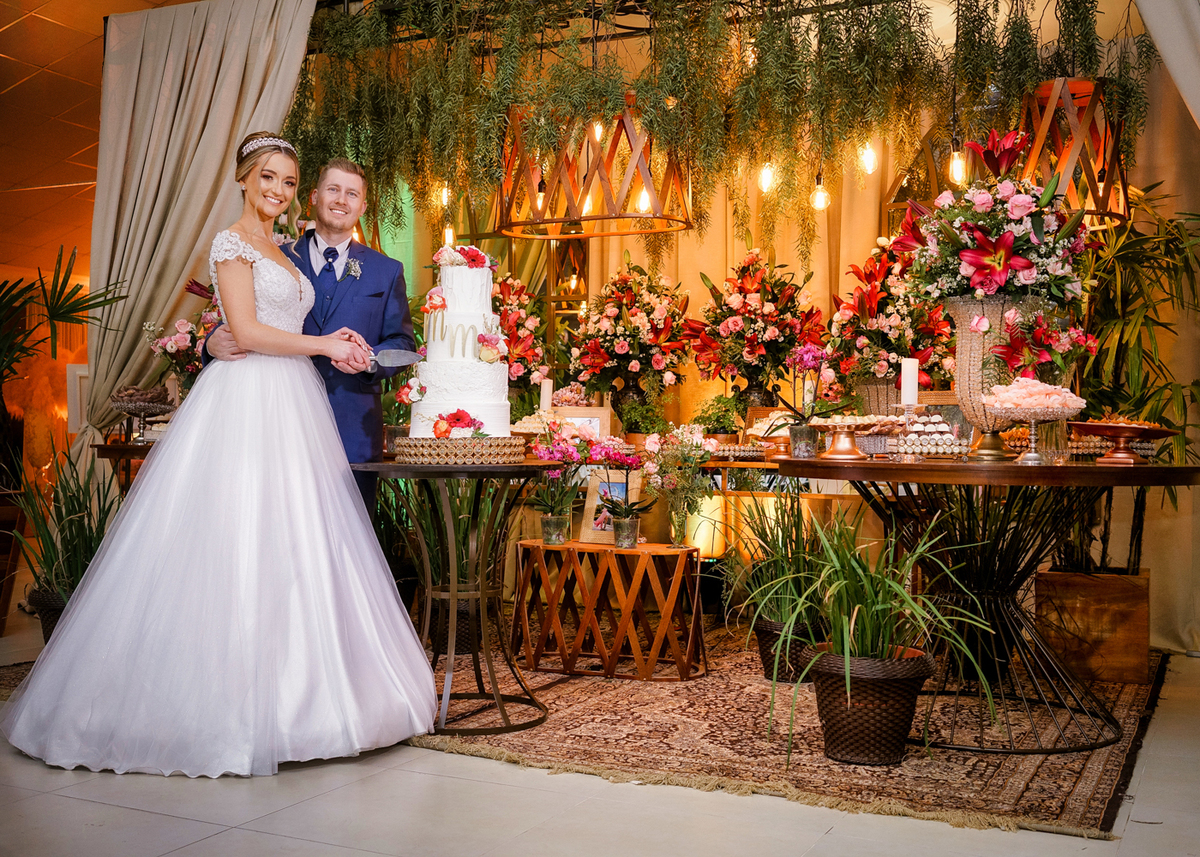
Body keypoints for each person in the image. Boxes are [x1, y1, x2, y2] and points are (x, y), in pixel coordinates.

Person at [0, 132, 437, 777]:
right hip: (252, 404)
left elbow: (266, 320)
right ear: (245, 179)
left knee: (304, 547)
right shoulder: (238, 242)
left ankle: (308, 688)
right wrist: (227, 343)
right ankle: (224, 703)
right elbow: (246, 326)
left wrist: (339, 346)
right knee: (233, 536)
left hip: (313, 415)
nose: (279, 190)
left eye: (287, 181)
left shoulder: (294, 251)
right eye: (271, 178)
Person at [205, 157, 413, 508]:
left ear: (362, 206)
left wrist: (368, 361)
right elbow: (241, 314)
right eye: (333, 189)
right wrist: (211, 342)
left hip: (352, 428)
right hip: (273, 419)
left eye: (352, 194)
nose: (341, 200)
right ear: (314, 196)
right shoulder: (274, 256)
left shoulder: (386, 270)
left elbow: (404, 345)